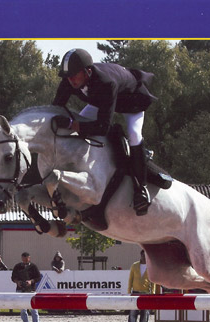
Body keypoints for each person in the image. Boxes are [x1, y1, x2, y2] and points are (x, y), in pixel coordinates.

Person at [51, 48, 169, 217]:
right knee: (77, 126)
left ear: (87, 71)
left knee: (134, 135)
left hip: (131, 101)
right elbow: (55, 108)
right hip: (102, 101)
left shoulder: (106, 83)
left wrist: (71, 124)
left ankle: (141, 190)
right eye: (67, 76)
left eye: (74, 75)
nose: (71, 80)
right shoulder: (69, 81)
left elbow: (102, 127)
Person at [125, 250, 156, 322]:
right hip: (135, 292)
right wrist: (129, 292)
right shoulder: (134, 265)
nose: (144, 257)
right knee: (133, 313)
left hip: (146, 293)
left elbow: (153, 281)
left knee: (145, 313)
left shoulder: (150, 266)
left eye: (146, 256)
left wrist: (152, 293)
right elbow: (130, 279)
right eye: (143, 255)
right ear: (141, 255)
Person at [11, 252, 42, 322]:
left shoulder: (33, 267)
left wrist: (31, 281)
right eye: (23, 258)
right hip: (20, 289)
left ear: (29, 258)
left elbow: (38, 277)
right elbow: (13, 277)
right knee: (23, 309)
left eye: (26, 258)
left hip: (31, 289)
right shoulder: (17, 266)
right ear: (21, 258)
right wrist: (17, 282)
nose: (25, 260)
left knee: (34, 309)